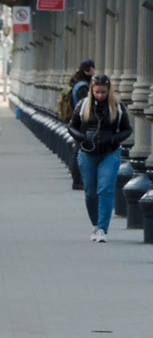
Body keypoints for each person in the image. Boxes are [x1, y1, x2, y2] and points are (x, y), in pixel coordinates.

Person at [67, 73, 131, 242]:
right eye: (97, 92)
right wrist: (82, 137)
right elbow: (71, 126)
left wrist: (112, 139)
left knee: (105, 189)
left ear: (109, 91)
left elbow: (127, 129)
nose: (100, 95)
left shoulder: (117, 106)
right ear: (91, 90)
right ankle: (95, 224)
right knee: (90, 192)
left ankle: (102, 228)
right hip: (87, 153)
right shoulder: (83, 105)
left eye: (103, 92)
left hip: (110, 153)